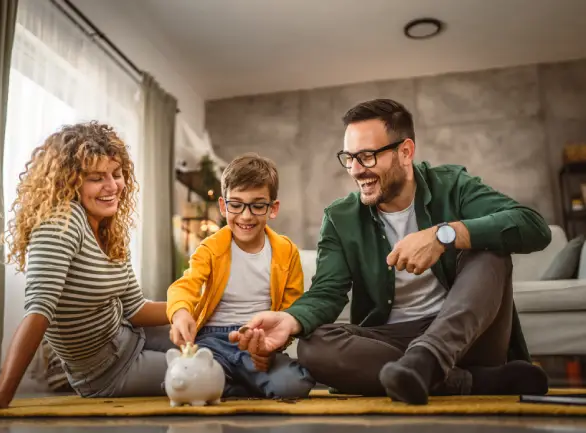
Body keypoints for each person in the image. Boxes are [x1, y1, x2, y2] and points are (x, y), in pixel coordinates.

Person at [229, 99, 552, 405]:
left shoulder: (453, 185)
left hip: (466, 335)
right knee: (313, 345)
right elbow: (328, 292)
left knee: (488, 249)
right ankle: (470, 382)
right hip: (393, 343)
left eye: (367, 156)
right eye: (349, 157)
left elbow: (532, 227)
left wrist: (444, 234)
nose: (356, 170)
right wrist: (290, 319)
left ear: (405, 152)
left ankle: (430, 359)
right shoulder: (340, 217)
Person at [0, 122, 173, 412]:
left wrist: (195, 305)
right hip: (108, 372)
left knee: (215, 335)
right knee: (215, 369)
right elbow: (39, 310)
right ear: (70, 180)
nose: (113, 186)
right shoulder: (60, 222)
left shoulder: (108, 228)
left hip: (131, 337)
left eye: (117, 174)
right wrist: (0, 393)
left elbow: (135, 308)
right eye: (97, 178)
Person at [167, 153, 315, 399]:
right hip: (212, 343)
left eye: (258, 205)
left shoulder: (286, 251)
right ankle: (241, 385)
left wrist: (272, 346)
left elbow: (291, 307)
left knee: (297, 382)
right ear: (224, 207)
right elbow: (185, 286)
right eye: (236, 205)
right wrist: (181, 312)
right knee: (192, 380)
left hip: (258, 342)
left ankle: (229, 386)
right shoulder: (211, 248)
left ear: (273, 208)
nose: (246, 216)